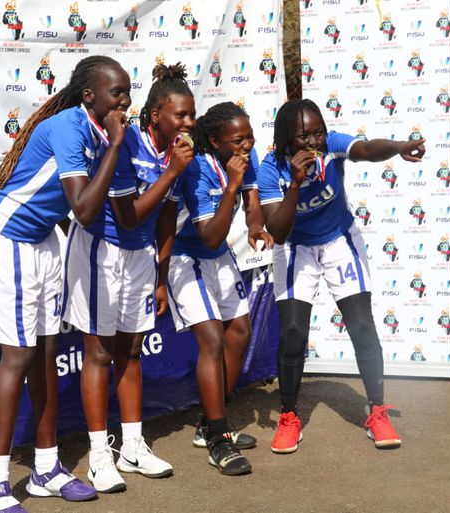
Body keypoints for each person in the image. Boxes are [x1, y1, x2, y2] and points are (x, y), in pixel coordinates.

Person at [0, 55, 132, 513]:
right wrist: (116, 147)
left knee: (45, 353)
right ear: (89, 95)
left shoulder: (100, 132)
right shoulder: (69, 127)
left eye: (127, 92)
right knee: (18, 356)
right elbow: (84, 208)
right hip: (8, 237)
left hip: (43, 241)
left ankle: (45, 468)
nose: (124, 101)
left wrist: (114, 145)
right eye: (116, 93)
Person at [257, 98, 425, 454]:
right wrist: (295, 184)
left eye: (318, 133)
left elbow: (365, 149)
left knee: (361, 324)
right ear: (286, 137)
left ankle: (377, 412)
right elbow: (279, 232)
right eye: (304, 136)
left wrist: (397, 148)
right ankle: (289, 416)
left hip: (338, 241)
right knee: (293, 332)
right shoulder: (271, 169)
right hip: (296, 247)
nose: (314, 142)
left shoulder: (331, 146)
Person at [61, 62, 195, 492]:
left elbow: (166, 219)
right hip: (102, 248)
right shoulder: (126, 141)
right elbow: (128, 216)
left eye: (192, 115)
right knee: (100, 352)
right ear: (155, 114)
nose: (188, 123)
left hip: (141, 257)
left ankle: (133, 447)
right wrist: (172, 171)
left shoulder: (178, 154)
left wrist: (161, 278)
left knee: (132, 351)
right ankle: (99, 455)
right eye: (180, 115)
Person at [167, 101, 273, 475]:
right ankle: (218, 440)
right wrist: (231, 185)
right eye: (238, 140)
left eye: (250, 137)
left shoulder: (245, 155)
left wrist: (256, 225)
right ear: (214, 140)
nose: (247, 145)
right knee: (211, 340)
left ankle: (209, 424)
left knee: (239, 332)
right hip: (185, 256)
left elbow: (252, 202)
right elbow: (209, 236)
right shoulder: (196, 168)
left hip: (219, 256)